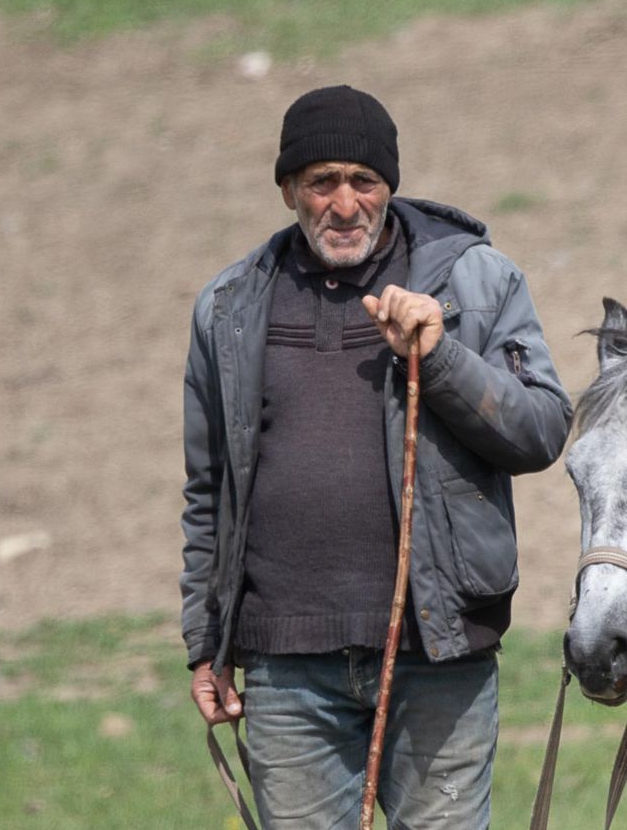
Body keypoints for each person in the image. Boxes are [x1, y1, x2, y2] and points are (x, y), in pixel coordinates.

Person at [179, 84, 572, 827]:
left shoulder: (476, 282)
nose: (345, 203)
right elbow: (209, 492)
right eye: (322, 181)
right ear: (288, 188)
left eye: (364, 181)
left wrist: (442, 355)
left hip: (439, 653)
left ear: (390, 185)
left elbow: (542, 430)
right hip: (286, 668)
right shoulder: (228, 309)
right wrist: (207, 644)